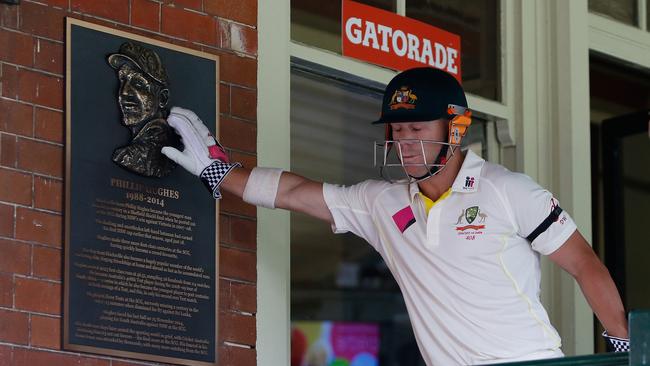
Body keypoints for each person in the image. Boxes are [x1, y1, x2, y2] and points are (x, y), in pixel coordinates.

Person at [161, 67, 629, 365]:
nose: (405, 142)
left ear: (456, 127)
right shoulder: (382, 202)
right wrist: (217, 169)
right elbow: (298, 193)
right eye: (398, 130)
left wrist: (626, 348)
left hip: (530, 362)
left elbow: (585, 264)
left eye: (418, 128)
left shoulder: (507, 190)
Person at [108, 41, 181, 178]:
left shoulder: (134, 157)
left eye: (138, 83)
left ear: (162, 98)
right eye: (123, 81)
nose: (124, 92)